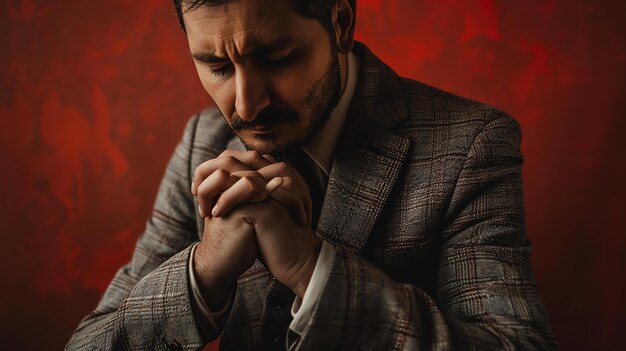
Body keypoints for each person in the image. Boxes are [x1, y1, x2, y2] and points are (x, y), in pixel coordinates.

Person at [67, 0, 557, 350]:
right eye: (215, 65)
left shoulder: (470, 143)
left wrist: (309, 266)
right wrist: (204, 271)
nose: (244, 104)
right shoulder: (201, 141)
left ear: (340, 23)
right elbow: (89, 343)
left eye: (276, 59)